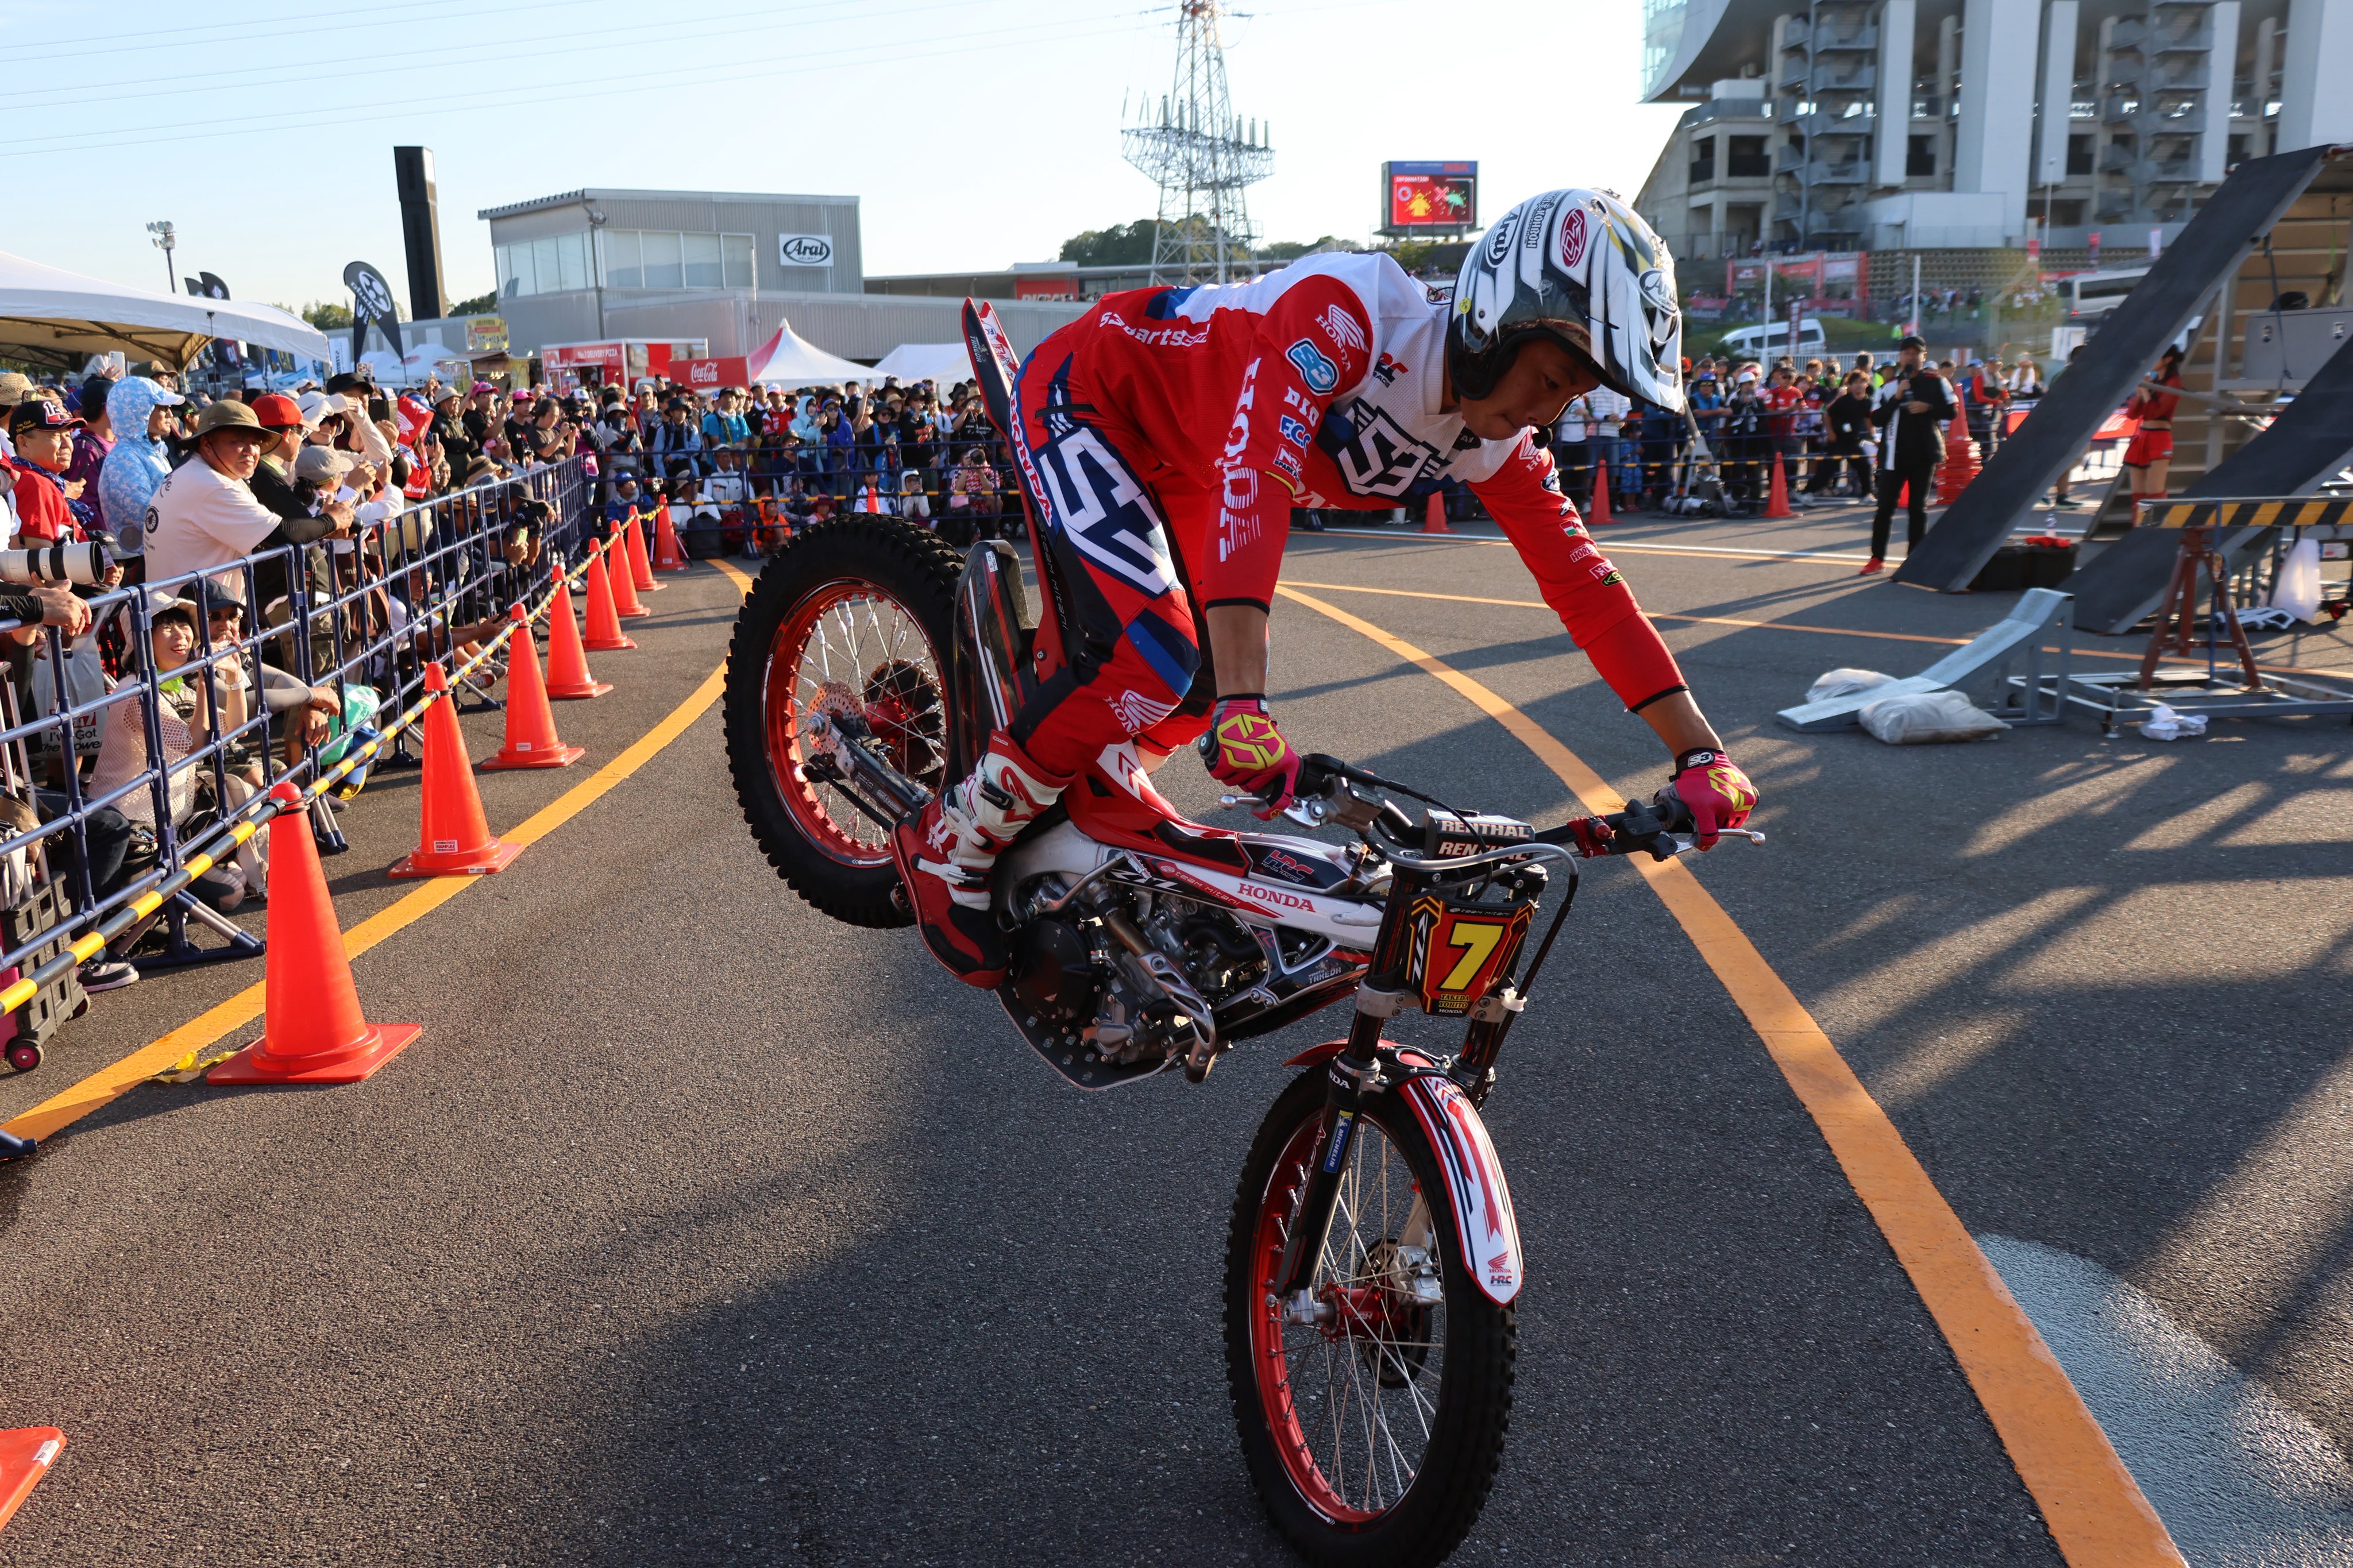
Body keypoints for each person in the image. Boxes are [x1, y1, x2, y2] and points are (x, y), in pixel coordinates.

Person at [892, 187, 1759, 986]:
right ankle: (953, 845)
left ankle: (1071, 796)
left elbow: (1584, 582)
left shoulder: (1496, 443)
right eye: (1554, 379)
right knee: (1156, 659)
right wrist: (1249, 702)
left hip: (1193, 460)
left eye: (1574, 395)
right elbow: (1258, 478)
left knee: (1191, 695)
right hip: (1096, 395)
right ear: (1498, 320)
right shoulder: (1353, 315)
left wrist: (1700, 751)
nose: (1551, 412)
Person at [141, 399, 286, 600]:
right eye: (238, 441)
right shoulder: (209, 483)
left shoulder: (201, 471)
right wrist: (334, 520)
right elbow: (284, 534)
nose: (250, 451)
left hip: (189, 611)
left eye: (256, 443)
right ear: (207, 444)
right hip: (191, 618)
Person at [1860, 335, 1955, 575]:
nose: (1911, 357)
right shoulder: (1889, 387)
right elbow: (1877, 418)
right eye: (1907, 353)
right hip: (1893, 455)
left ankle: (1915, 559)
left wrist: (1928, 408)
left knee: (1917, 508)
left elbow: (1952, 411)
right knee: (1885, 508)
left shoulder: (1937, 382)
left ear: (1923, 356)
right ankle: (1877, 558)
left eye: (1916, 353)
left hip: (1924, 455)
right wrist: (1897, 398)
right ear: (1901, 357)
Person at [2120, 344, 2184, 511]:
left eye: (2157, 357)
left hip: (2160, 437)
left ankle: (2152, 533)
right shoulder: (2154, 382)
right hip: (2142, 436)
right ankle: (2137, 531)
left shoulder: (2174, 383)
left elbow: (2156, 412)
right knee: (2138, 495)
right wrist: (2140, 393)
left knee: (2155, 493)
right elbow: (2132, 414)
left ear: (2168, 360)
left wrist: (2146, 392)